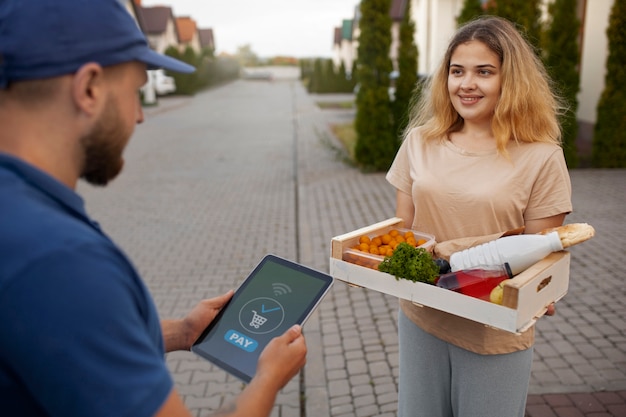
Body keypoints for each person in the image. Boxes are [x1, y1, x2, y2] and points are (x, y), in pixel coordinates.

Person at [0, 1, 307, 417]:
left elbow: (60, 337)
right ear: (89, 88)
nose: (141, 116)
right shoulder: (59, 260)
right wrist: (269, 378)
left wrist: (182, 332)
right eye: (135, 92)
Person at [386, 16, 572, 417]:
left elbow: (542, 252)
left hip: (493, 325)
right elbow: (404, 231)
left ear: (511, 80)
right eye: (457, 71)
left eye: (484, 72)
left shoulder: (541, 156)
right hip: (422, 313)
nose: (465, 84)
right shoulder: (420, 141)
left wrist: (542, 289)